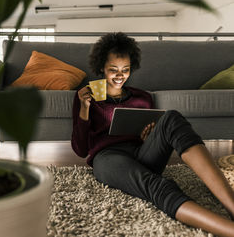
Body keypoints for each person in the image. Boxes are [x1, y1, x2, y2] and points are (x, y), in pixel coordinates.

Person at [71, 32, 234, 237]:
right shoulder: (87, 96)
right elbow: (80, 149)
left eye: (126, 70)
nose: (120, 75)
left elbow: (152, 132)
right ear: (101, 67)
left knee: (172, 117)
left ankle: (232, 206)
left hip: (141, 153)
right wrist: (84, 109)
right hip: (109, 158)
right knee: (158, 185)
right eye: (113, 70)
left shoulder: (143, 97)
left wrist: (149, 136)